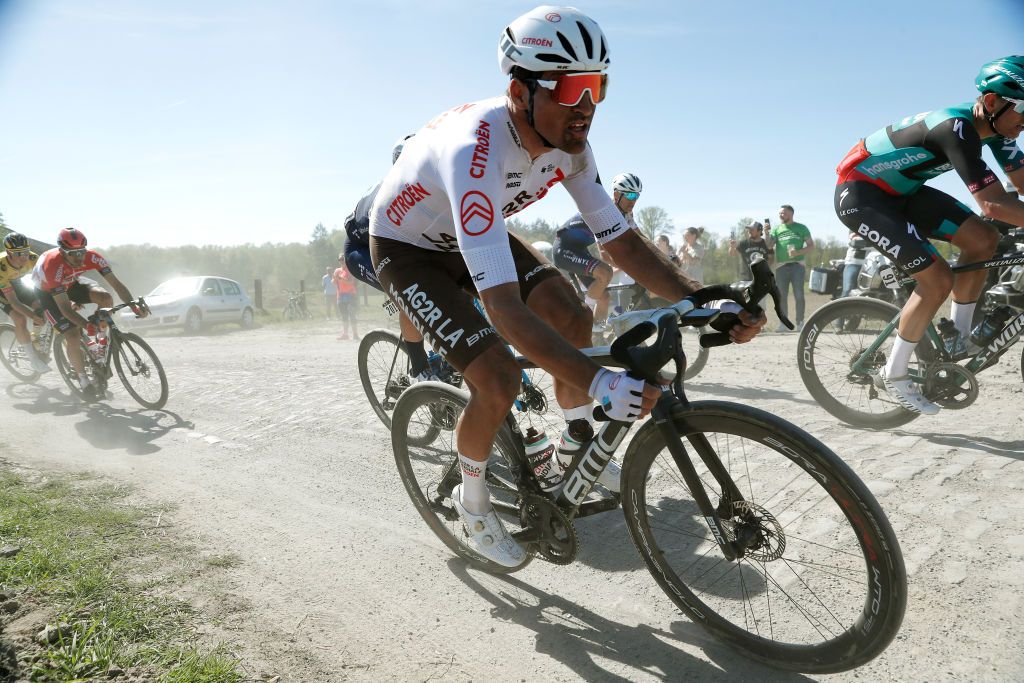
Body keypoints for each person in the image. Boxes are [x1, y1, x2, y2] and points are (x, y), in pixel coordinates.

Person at [367, 6, 764, 567]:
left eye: (597, 87)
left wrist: (699, 297)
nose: (586, 108)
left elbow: (621, 242)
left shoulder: (570, 145)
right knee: (497, 376)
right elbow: (502, 307)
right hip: (410, 252)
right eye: (572, 87)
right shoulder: (474, 150)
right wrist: (599, 380)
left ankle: (573, 440)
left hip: (471, 235)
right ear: (519, 91)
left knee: (575, 316)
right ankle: (472, 500)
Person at [833, 55, 1024, 414]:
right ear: (992, 101)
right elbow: (994, 204)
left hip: (903, 194)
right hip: (861, 195)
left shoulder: (999, 127)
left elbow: (1023, 183)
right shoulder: (956, 127)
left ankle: (959, 337)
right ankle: (895, 371)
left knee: (983, 240)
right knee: (938, 278)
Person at [343, 135, 437, 379]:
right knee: (410, 295)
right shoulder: (392, 193)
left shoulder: (422, 189)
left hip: (393, 245)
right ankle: (419, 370)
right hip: (361, 250)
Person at [32, 228, 148, 399]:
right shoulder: (52, 265)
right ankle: (83, 380)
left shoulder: (92, 257)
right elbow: (64, 308)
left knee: (106, 298)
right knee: (72, 335)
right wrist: (86, 325)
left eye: (81, 251)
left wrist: (133, 306)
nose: (79, 257)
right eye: (73, 253)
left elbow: (116, 284)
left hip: (71, 282)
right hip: (48, 292)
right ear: (63, 252)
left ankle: (100, 344)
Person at [553, 172, 643, 332]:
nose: (634, 199)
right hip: (564, 248)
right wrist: (632, 267)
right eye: (629, 194)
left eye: (637, 195)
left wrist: (664, 260)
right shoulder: (604, 210)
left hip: (579, 250)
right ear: (616, 194)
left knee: (604, 298)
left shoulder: (626, 214)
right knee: (605, 273)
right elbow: (604, 254)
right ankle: (583, 318)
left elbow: (641, 240)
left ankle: (596, 333)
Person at [0, 232, 50, 373]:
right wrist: (33, 316)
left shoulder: (33, 258)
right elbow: (14, 302)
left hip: (16, 282)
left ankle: (34, 336)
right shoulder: (1, 266)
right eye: (19, 253)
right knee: (20, 318)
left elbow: (48, 279)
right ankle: (33, 359)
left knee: (39, 306)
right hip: (1, 288)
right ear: (9, 252)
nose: (24, 256)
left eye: (26, 251)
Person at [765, 205, 813, 332]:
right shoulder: (777, 229)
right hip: (781, 267)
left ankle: (800, 322)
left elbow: (810, 245)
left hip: (798, 266)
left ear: (791, 214)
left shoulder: (801, 228)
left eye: (784, 213)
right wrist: (766, 233)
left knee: (798, 295)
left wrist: (797, 253)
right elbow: (769, 245)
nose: (781, 215)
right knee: (781, 296)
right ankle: (784, 324)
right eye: (780, 213)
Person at [332, 255, 359, 340]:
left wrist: (340, 279)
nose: (341, 261)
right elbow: (334, 282)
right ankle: (345, 334)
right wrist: (335, 279)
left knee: (352, 315)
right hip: (340, 295)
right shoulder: (337, 270)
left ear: (346, 260)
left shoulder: (351, 269)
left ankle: (355, 334)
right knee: (344, 315)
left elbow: (351, 282)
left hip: (351, 295)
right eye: (339, 260)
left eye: (343, 259)